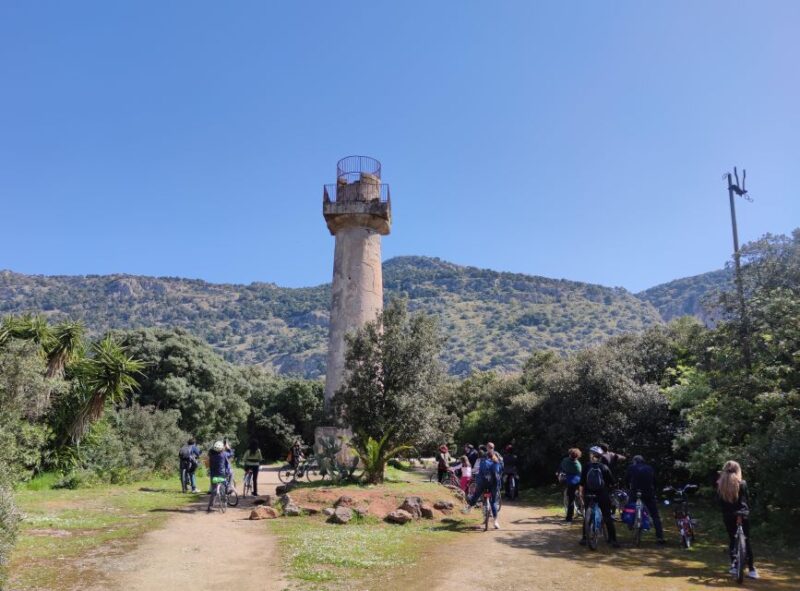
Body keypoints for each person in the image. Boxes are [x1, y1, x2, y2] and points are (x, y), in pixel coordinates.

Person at [718, 460, 758, 579]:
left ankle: (734, 566)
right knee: (746, 540)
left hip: (728, 515)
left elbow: (719, 502)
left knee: (732, 539)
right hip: (742, 514)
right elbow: (746, 499)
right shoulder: (742, 483)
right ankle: (751, 569)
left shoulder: (720, 484)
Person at [580, 446, 619, 548]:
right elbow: (612, 482)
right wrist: (612, 488)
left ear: (591, 455)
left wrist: (581, 494)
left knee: (586, 516)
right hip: (602, 494)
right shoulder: (604, 467)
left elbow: (582, 483)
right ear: (600, 456)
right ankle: (613, 540)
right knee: (607, 516)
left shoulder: (586, 466)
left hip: (589, 494)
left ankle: (584, 538)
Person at [624, 455, 665, 544]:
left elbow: (626, 480)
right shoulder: (649, 468)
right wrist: (655, 490)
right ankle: (660, 537)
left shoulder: (631, 467)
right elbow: (655, 481)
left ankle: (630, 524)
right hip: (648, 493)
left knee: (630, 507)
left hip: (635, 493)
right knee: (655, 515)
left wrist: (628, 488)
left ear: (634, 461)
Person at [462, 450, 504, 529]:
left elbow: (479, 472)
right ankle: (495, 522)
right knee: (494, 502)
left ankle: (469, 507)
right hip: (493, 485)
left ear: (486, 456)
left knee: (476, 494)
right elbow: (500, 473)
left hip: (483, 483)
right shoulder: (497, 462)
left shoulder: (482, 461)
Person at [558, 448, 582, 522]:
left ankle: (569, 519)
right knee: (581, 495)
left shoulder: (565, 460)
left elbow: (561, 468)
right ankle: (582, 509)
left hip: (571, 482)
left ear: (569, 454)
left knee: (571, 500)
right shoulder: (578, 464)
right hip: (580, 481)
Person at [207, 440, 228, 510]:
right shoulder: (224, 454)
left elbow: (209, 464)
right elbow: (230, 455)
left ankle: (210, 506)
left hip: (213, 474)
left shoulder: (211, 455)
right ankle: (224, 502)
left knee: (213, 490)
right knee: (223, 488)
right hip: (222, 474)